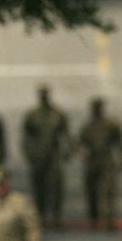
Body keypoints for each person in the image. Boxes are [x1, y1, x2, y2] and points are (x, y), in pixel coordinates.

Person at [22, 85, 72, 229]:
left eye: (45, 94)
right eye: (42, 95)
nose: (44, 97)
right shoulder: (32, 115)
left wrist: (67, 150)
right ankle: (41, 215)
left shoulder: (57, 114)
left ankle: (56, 216)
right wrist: (29, 153)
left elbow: (66, 133)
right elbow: (26, 136)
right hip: (38, 156)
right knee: (39, 187)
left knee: (56, 186)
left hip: (53, 156)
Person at [78, 98, 122, 231]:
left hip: (107, 160)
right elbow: (79, 142)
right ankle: (94, 218)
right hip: (92, 161)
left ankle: (110, 219)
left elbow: (120, 142)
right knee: (91, 191)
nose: (96, 110)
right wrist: (83, 153)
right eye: (94, 107)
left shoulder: (111, 124)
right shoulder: (87, 126)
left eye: (98, 107)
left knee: (109, 190)